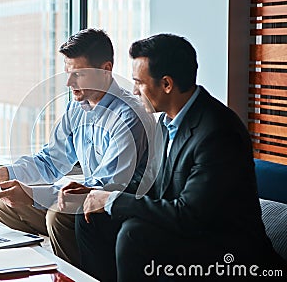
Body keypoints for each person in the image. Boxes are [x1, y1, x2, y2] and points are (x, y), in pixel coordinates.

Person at [74, 34, 286, 281]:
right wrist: (96, 194)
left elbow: (190, 215)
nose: (133, 91)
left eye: (138, 82)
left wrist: (113, 201)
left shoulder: (217, 131)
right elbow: (150, 183)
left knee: (134, 234)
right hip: (189, 233)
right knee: (90, 219)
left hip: (228, 251)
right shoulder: (166, 121)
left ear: (166, 84)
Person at [0, 28, 149, 268]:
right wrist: (4, 174)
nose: (69, 83)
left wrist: (32, 194)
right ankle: (35, 269)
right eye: (68, 73)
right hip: (86, 198)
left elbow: (106, 186)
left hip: (113, 208)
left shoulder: (129, 116)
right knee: (4, 205)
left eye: (78, 74)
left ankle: (76, 274)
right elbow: (50, 161)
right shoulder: (77, 108)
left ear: (106, 70)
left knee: (59, 216)